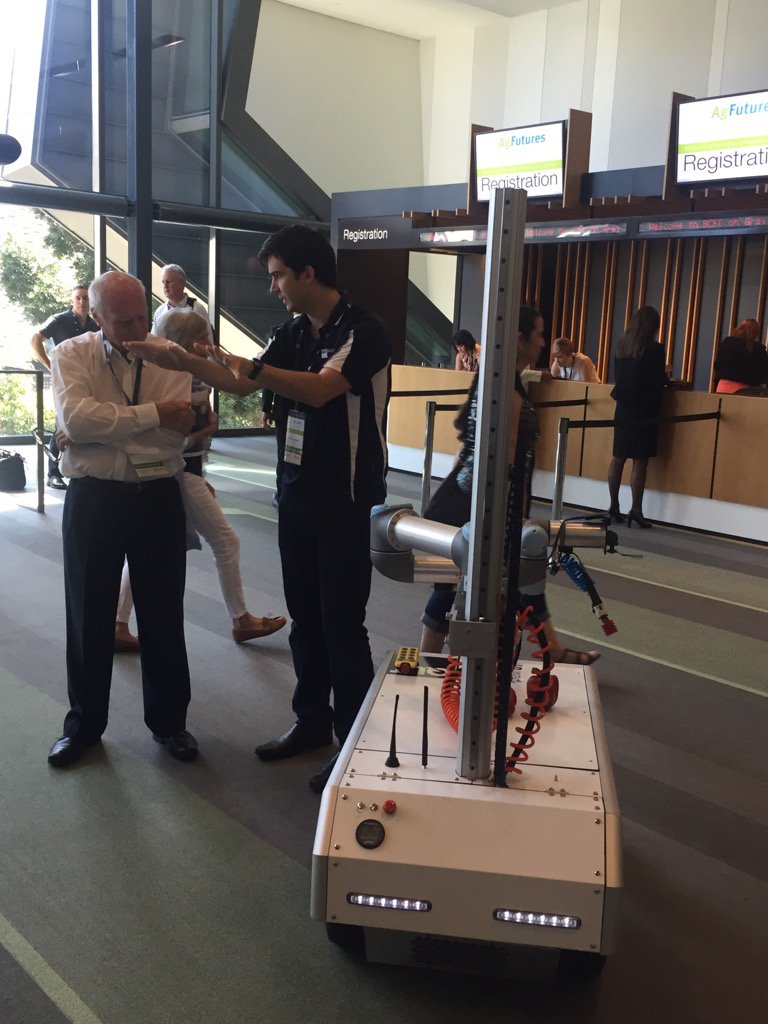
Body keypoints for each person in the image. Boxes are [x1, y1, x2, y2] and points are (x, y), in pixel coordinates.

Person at [125, 226, 391, 793]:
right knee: (305, 620)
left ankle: (355, 746)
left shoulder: (364, 331)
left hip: (345, 500)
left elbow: (321, 389)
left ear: (308, 274)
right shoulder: (294, 330)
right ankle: (312, 721)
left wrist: (250, 369)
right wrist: (174, 355)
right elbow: (238, 383)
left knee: (343, 625)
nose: (272, 288)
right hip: (294, 493)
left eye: (277, 276)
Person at [47, 271, 198, 768]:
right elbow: (77, 421)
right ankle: (84, 727)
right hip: (94, 499)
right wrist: (153, 414)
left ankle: (170, 724)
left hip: (157, 496)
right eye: (122, 321)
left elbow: (176, 437)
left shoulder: (169, 353)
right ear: (95, 315)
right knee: (88, 615)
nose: (136, 330)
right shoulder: (70, 354)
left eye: (140, 316)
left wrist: (98, 429)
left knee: (163, 614)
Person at [420, 306, 599, 667]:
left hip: (465, 493)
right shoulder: (506, 386)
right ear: (519, 338)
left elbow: (466, 444)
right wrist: (513, 512)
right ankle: (429, 658)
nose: (544, 342)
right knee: (480, 579)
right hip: (480, 500)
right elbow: (507, 455)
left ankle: (431, 657)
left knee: (493, 578)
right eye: (539, 334)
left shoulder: (492, 376)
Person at [112, 309, 286, 649]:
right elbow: (171, 437)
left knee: (146, 549)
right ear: (195, 342)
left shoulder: (157, 372)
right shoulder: (182, 377)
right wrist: (203, 432)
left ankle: (118, 622)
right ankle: (240, 619)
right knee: (225, 541)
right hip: (179, 472)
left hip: (179, 471)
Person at [29, 285, 98, 489]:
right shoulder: (60, 320)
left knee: (77, 417)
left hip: (87, 378)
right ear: (72, 301)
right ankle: (53, 472)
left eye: (86, 298)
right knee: (62, 418)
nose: (82, 302)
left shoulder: (94, 324)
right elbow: (35, 339)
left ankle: (72, 465)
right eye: (78, 298)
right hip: (64, 377)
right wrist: (51, 366)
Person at [607, 305, 667, 528]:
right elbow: (657, 381)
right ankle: (636, 509)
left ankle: (613, 505)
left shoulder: (622, 346)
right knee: (640, 461)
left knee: (618, 456)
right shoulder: (655, 350)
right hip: (645, 411)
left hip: (623, 408)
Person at [152, 263, 213, 341]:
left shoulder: (197, 309)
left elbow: (208, 341)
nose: (165, 286)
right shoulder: (160, 311)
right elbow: (154, 340)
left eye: (168, 281)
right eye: (163, 282)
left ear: (182, 283)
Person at [713, 319, 768, 394]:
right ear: (756, 333)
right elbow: (763, 376)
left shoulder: (727, 343)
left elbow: (717, 365)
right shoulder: (759, 350)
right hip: (747, 392)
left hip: (723, 387)